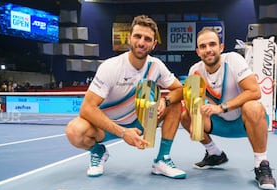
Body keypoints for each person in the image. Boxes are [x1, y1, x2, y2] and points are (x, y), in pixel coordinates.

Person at [65, 15, 186, 179]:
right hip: (108, 125)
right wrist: (123, 133)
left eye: (147, 39)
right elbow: (87, 108)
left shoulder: (156, 66)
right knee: (74, 131)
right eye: (137, 36)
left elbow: (180, 89)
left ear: (153, 44)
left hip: (142, 122)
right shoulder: (111, 67)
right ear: (129, 38)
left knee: (175, 104)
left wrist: (165, 100)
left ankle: (162, 160)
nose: (141, 43)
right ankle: (98, 152)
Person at [180, 28, 276, 190]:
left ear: (221, 47)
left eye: (212, 44)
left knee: (253, 106)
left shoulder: (233, 60)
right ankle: (215, 154)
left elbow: (255, 91)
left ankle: (261, 164)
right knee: (185, 116)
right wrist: (194, 124)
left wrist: (221, 107)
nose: (208, 50)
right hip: (220, 124)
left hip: (245, 122)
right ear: (198, 51)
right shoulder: (194, 71)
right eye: (203, 46)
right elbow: (193, 105)